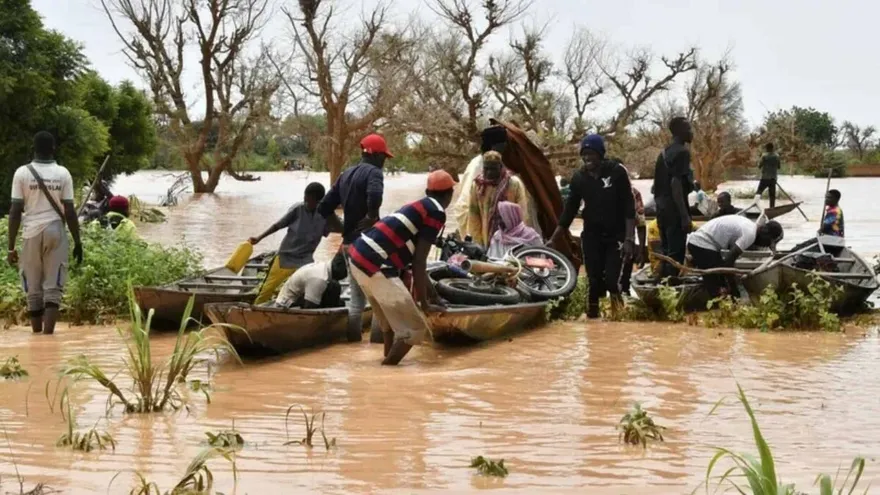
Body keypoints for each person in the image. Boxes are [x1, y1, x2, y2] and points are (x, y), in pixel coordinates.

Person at [348, 170, 456, 365]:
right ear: (450, 194)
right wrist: (424, 304)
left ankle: (386, 376)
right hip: (376, 263)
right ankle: (386, 371)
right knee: (415, 329)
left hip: (358, 258)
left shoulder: (418, 206)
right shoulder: (436, 212)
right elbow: (419, 262)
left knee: (390, 324)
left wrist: (433, 296)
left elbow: (415, 263)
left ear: (427, 191)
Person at [548, 134, 635, 318]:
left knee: (612, 281)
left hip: (616, 236)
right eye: (584, 154)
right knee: (593, 282)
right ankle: (593, 321)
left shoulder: (617, 172)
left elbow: (629, 207)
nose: (587, 158)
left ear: (600, 154)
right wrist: (554, 239)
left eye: (591, 154)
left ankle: (619, 317)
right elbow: (569, 210)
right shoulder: (579, 178)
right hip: (592, 236)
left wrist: (629, 239)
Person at [6, 131, 83, 335]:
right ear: (54, 149)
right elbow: (70, 211)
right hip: (56, 231)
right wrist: (78, 242)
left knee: (33, 287)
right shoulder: (63, 173)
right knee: (53, 286)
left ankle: (36, 336)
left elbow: (15, 212)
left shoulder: (21, 173)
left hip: (30, 232)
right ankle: (48, 337)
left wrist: (11, 247)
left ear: (33, 148)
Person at [317, 134, 390, 342]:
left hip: (349, 244)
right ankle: (377, 347)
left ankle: (353, 345)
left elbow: (324, 207)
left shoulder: (346, 174)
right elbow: (375, 194)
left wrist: (341, 227)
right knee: (379, 299)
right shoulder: (374, 173)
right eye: (383, 157)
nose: (384, 162)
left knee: (356, 300)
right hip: (369, 243)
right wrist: (372, 216)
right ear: (376, 156)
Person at [250, 182, 341, 304]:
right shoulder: (297, 209)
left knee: (306, 289)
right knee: (267, 289)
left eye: (309, 200)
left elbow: (341, 228)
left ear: (319, 201)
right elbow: (277, 225)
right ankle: (256, 310)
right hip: (285, 257)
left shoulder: (325, 214)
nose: (306, 202)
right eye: (305, 198)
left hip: (305, 259)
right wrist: (259, 238)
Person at [687, 216, 783, 298]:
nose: (765, 245)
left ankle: (696, 262)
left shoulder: (750, 226)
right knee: (717, 287)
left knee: (721, 277)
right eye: (769, 241)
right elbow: (728, 262)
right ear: (765, 232)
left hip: (701, 242)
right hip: (701, 244)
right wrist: (735, 290)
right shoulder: (750, 234)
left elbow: (728, 260)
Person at [653, 117, 694, 279]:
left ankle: (662, 288)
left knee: (666, 252)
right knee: (676, 254)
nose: (692, 132)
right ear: (679, 132)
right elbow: (676, 184)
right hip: (675, 210)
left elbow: (656, 187)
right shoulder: (683, 152)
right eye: (689, 129)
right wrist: (684, 216)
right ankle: (672, 290)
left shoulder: (663, 153)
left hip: (661, 210)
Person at [465, 151, 531, 247]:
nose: (489, 172)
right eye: (486, 168)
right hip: (486, 237)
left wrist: (518, 238)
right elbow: (473, 215)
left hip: (510, 237)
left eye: (493, 169)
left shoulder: (514, 184)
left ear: (500, 167)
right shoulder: (477, 185)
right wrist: (477, 242)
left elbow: (522, 213)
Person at [273, 251, 348, 309]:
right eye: (346, 272)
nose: (346, 276)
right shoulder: (319, 278)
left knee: (336, 294)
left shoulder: (324, 267)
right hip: (286, 305)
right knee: (334, 288)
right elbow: (309, 308)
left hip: (298, 298)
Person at [620, 183, 647, 295]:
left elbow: (641, 224)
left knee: (625, 282)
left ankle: (625, 293)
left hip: (627, 240)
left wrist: (641, 251)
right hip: (606, 240)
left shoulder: (634, 193)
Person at [756, 143, 781, 208]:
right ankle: (772, 208)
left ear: (766, 148)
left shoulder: (764, 156)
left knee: (758, 193)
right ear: (773, 148)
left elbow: (759, 166)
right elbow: (779, 167)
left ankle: (755, 206)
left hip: (764, 178)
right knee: (772, 196)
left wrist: (759, 162)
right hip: (773, 179)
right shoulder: (777, 156)